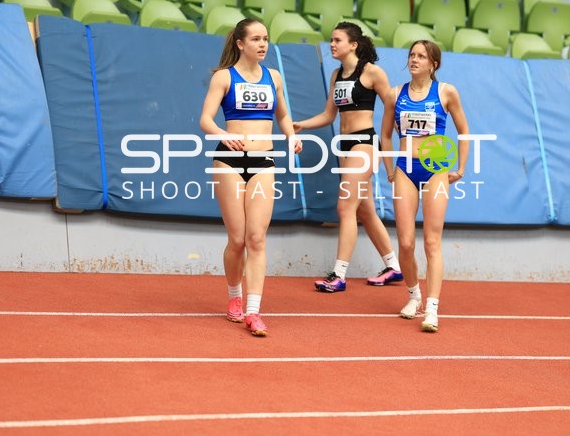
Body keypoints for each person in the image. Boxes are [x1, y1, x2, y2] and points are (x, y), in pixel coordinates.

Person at [199, 18, 302, 337]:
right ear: (240, 44)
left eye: (266, 39)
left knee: (257, 238)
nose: (263, 44)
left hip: (263, 160)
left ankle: (254, 311)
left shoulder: (274, 77)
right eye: (256, 39)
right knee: (239, 239)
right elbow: (205, 119)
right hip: (229, 161)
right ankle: (234, 297)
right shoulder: (223, 78)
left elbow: (283, 115)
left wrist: (290, 136)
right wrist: (221, 133)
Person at [293, 21, 403, 293]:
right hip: (344, 146)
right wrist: (302, 125)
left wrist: (401, 147)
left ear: (353, 44)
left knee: (345, 209)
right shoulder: (336, 75)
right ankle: (394, 267)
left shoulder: (372, 73)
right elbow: (329, 115)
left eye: (337, 40)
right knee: (364, 210)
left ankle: (339, 275)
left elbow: (393, 110)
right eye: (330, 40)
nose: (332, 44)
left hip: (364, 144)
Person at [380, 40, 469, 333]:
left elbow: (464, 131)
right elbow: (385, 136)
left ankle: (432, 307)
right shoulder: (395, 94)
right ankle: (413, 294)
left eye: (421, 56)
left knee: (432, 242)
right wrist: (390, 169)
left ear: (433, 64)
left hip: (436, 171)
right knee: (405, 242)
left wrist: (460, 168)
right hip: (405, 170)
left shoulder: (446, 92)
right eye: (412, 55)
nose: (414, 60)